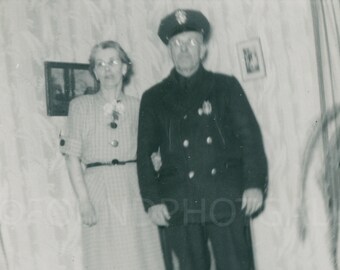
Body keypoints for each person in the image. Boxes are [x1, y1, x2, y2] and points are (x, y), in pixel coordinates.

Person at [137, 9, 268, 270]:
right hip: (179, 200)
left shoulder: (226, 87)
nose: (184, 49)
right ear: (169, 51)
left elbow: (250, 139)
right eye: (177, 44)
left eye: (192, 42)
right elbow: (144, 154)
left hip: (225, 196)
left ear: (203, 49)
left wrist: (254, 184)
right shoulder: (153, 98)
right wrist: (152, 201)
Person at [61, 40, 165, 270]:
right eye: (100, 64)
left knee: (141, 255)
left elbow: (152, 149)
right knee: (106, 258)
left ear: (124, 68)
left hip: (134, 186)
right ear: (95, 72)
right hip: (99, 188)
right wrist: (84, 201)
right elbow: (71, 157)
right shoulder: (80, 106)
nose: (107, 69)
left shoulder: (139, 105)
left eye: (113, 62)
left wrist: (154, 162)